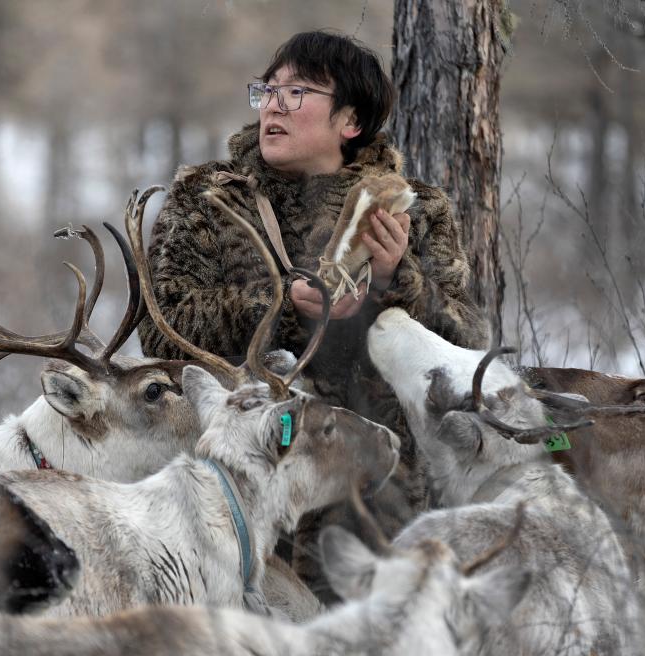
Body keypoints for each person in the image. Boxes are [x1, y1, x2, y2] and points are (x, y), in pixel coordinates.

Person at [138, 29, 489, 596]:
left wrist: (393, 284)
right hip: (237, 485)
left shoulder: (412, 210)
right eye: (267, 91)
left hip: (374, 486)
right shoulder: (209, 199)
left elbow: (467, 340)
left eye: (297, 93)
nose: (273, 105)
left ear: (350, 121)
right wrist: (278, 310)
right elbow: (158, 332)